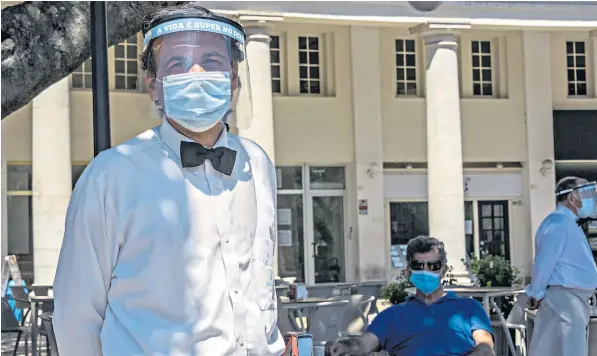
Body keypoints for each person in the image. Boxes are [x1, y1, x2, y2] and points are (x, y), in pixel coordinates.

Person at [52, 4, 285, 356]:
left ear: (233, 81)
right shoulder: (111, 176)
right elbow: (76, 319)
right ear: (153, 86)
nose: (196, 72)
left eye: (212, 61)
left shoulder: (258, 164)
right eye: (177, 64)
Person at [325, 236, 495, 356]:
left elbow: (486, 348)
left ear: (443, 270)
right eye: (418, 265)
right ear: (408, 271)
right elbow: (363, 344)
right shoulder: (393, 315)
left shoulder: (469, 308)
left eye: (433, 265)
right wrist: (342, 346)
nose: (426, 271)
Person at [526, 177, 597, 356]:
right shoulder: (558, 223)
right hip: (563, 300)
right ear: (572, 198)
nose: (589, 198)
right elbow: (544, 263)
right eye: (584, 193)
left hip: (570, 299)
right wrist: (536, 293)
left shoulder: (566, 223)